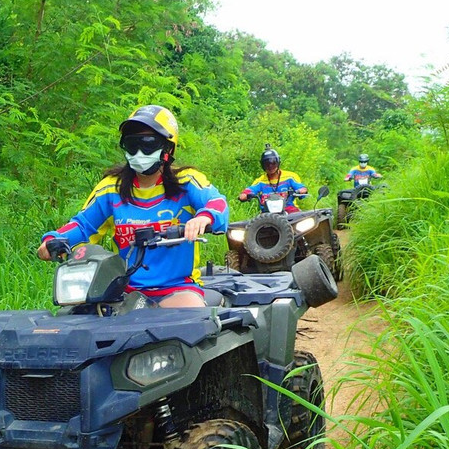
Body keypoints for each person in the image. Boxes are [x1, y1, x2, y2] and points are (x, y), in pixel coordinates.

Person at [37, 105, 228, 308]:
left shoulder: (186, 181)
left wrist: (204, 217)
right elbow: (84, 225)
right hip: (121, 290)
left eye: (147, 144)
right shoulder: (112, 188)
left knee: (189, 319)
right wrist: (53, 239)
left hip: (177, 289)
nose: (139, 152)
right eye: (131, 144)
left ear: (168, 148)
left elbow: (217, 203)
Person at [237, 146, 308, 213]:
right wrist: (245, 195)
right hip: (267, 214)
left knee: (305, 220)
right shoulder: (260, 181)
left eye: (273, 163)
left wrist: (300, 191)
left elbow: (302, 188)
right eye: (267, 164)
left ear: (278, 162)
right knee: (253, 225)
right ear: (263, 166)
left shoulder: (290, 177)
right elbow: (249, 190)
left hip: (289, 210)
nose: (270, 166)